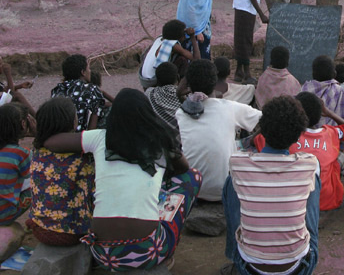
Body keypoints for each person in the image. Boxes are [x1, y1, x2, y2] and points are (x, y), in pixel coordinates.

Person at [43, 88, 202, 271]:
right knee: (193, 177)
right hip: (148, 252)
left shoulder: (99, 138)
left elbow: (50, 142)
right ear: (147, 114)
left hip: (103, 254)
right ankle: (166, 254)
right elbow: (184, 169)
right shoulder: (160, 140)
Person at [222, 96, 320, 275]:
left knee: (232, 180)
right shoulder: (308, 164)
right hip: (298, 268)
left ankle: (233, 255)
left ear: (262, 130)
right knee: (312, 180)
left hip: (250, 268)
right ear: (298, 135)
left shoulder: (238, 163)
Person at [175, 60, 261, 201]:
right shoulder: (230, 107)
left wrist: (182, 88)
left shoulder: (181, 113)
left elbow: (183, 96)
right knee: (246, 144)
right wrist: (253, 139)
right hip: (225, 190)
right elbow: (268, 119)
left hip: (194, 189)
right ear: (215, 82)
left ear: (188, 83)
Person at [254, 92, 344, 211]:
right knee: (340, 151)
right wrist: (328, 112)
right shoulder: (330, 133)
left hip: (293, 201)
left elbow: (256, 138)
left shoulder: (286, 136)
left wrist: (272, 119)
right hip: (328, 201)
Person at [26, 97, 94, 245]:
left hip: (39, 228)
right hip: (71, 234)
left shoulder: (38, 151)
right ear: (72, 122)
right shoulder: (82, 158)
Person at [51, 54, 106, 131]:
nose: (90, 71)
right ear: (83, 72)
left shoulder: (57, 89)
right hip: (78, 136)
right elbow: (95, 116)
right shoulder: (91, 89)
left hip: (56, 135)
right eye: (88, 68)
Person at [140, 19, 199, 89]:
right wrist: (192, 37)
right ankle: (178, 88)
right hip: (152, 81)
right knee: (182, 59)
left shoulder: (160, 39)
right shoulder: (172, 44)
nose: (185, 37)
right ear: (178, 37)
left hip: (144, 81)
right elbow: (196, 59)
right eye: (184, 35)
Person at [0, 104, 32, 226]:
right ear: (23, 124)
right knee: (38, 183)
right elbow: (39, 169)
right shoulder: (21, 154)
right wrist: (38, 135)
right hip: (3, 215)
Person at [301, 55, 344, 126]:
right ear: (334, 73)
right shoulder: (338, 90)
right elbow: (342, 113)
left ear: (313, 73)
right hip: (331, 131)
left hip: (306, 130)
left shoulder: (305, 88)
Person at [144, 62, 182, 133]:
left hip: (154, 135)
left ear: (157, 79)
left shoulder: (149, 93)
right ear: (178, 77)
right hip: (178, 137)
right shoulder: (183, 97)